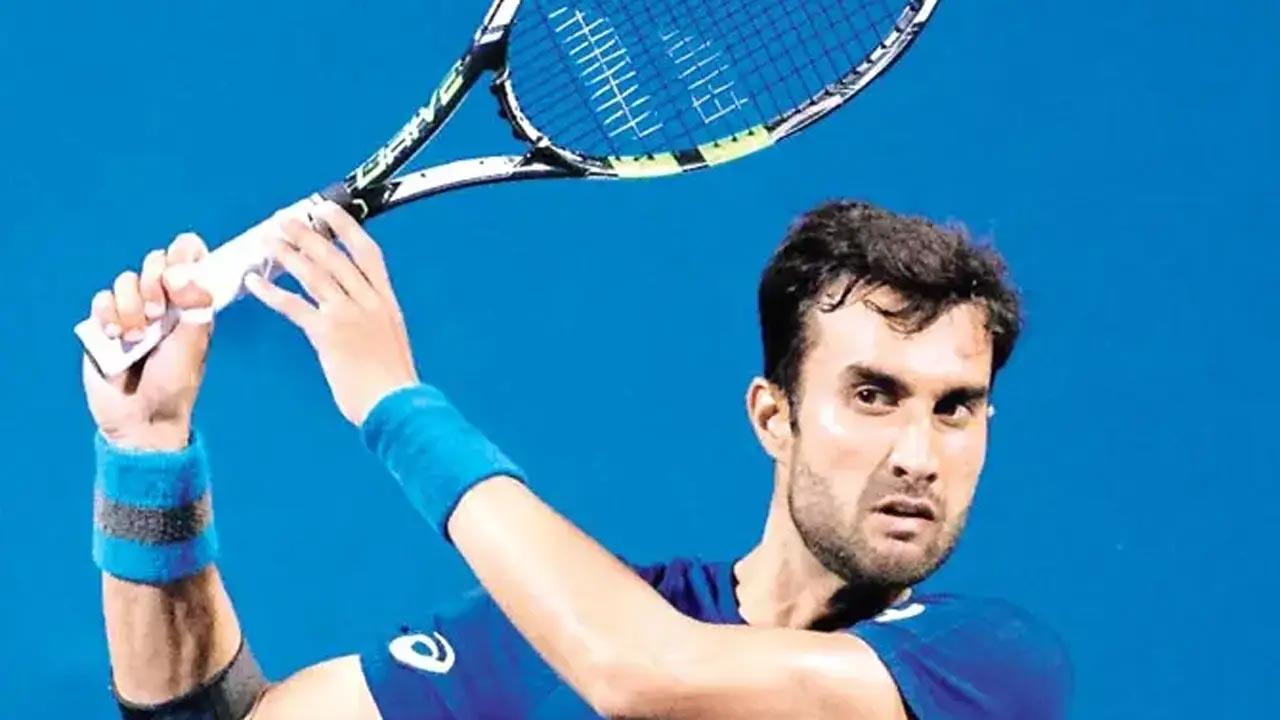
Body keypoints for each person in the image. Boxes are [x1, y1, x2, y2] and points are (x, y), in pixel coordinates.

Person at [82, 199, 1071, 719]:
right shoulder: (555, 629)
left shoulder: (984, 667)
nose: (917, 453)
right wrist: (147, 458)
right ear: (774, 417)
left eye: (956, 408)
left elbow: (639, 673)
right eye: (872, 395)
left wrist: (396, 405)